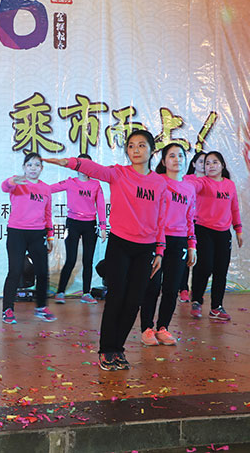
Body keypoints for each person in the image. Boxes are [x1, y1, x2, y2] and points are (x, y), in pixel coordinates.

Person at [44, 129, 167, 371]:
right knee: (116, 297)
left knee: (134, 301)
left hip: (145, 249)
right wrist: (67, 162)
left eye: (142, 145)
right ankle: (106, 350)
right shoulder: (119, 173)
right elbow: (94, 169)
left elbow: (161, 218)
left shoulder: (160, 183)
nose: (136, 150)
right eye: (131, 146)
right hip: (120, 245)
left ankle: (118, 348)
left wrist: (160, 250)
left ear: (152, 150)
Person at [140, 143, 196, 347]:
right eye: (172, 156)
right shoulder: (157, 181)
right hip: (156, 239)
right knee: (152, 286)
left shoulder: (189, 187)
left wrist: (192, 245)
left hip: (179, 241)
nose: (177, 159)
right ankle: (147, 328)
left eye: (180, 155)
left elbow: (190, 218)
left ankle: (163, 327)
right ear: (163, 161)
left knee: (172, 288)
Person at [1, 152, 56, 324]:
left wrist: (50, 236)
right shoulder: (17, 183)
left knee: (42, 271)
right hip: (17, 233)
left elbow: (47, 213)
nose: (33, 168)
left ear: (42, 168)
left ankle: (41, 307)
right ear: (24, 167)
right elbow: (4, 187)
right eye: (29, 165)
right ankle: (7, 309)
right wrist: (12, 181)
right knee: (15, 271)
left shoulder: (46, 188)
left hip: (37, 234)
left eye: (37, 165)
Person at [188, 151, 243, 321]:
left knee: (221, 270)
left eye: (214, 162)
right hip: (203, 229)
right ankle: (196, 300)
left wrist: (238, 229)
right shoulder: (202, 182)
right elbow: (190, 185)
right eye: (207, 163)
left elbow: (234, 208)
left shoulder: (229, 185)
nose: (211, 166)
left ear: (222, 165)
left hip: (223, 233)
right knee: (204, 266)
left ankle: (216, 307)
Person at [50, 153, 107, 305]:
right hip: (73, 224)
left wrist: (102, 226)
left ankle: (86, 293)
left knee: (88, 261)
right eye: (81, 164)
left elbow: (101, 206)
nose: (84, 168)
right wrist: (32, 187)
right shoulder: (70, 182)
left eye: (87, 165)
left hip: (90, 225)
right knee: (71, 259)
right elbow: (49, 189)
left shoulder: (96, 185)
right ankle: (60, 292)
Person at [178, 151, 206, 303]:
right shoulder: (187, 180)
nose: (204, 165)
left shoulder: (212, 181)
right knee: (185, 259)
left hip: (205, 225)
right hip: (188, 223)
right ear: (194, 163)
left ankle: (197, 290)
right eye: (201, 161)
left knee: (201, 260)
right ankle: (183, 288)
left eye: (206, 162)